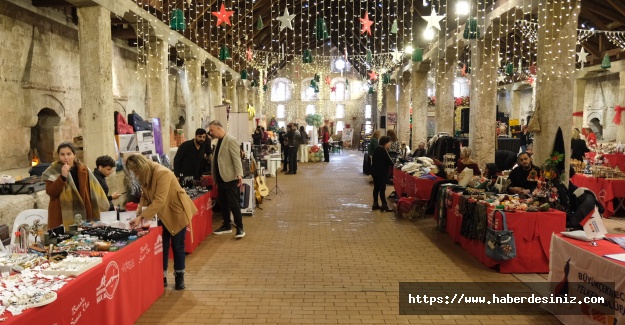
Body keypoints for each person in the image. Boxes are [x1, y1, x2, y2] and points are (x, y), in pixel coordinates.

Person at [127, 154, 197, 290]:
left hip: (176, 213)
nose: (135, 174)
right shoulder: (144, 174)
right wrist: (138, 212)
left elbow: (160, 199)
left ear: (141, 166)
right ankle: (162, 276)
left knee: (178, 246)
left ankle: (179, 276)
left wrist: (141, 217)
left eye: (136, 171)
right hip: (160, 215)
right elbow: (144, 197)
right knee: (162, 247)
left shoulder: (162, 173)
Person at [42, 142, 110, 229]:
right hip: (61, 214)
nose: (65, 157)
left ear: (74, 155)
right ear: (58, 156)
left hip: (83, 209)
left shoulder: (83, 169)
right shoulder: (53, 170)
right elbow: (51, 192)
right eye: (62, 154)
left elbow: (92, 190)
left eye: (68, 154)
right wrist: (62, 176)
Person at [209, 120, 246, 239]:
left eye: (212, 130)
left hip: (230, 178)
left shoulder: (231, 140)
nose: (211, 133)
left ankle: (240, 228)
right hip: (221, 178)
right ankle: (226, 225)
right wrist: (215, 177)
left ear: (219, 128)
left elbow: (236, 159)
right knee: (223, 203)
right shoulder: (218, 141)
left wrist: (239, 175)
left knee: (233, 203)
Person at [371, 136, 394, 212]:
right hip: (381, 172)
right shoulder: (383, 150)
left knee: (376, 188)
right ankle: (384, 205)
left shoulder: (377, 149)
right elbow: (390, 162)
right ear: (385, 143)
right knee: (382, 189)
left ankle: (375, 203)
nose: (389, 144)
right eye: (389, 143)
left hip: (375, 172)